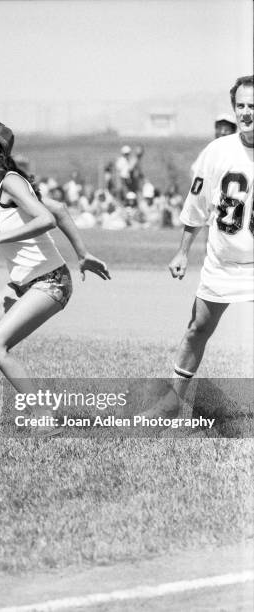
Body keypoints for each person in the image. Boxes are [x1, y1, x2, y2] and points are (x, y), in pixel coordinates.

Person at [0, 120, 110, 431]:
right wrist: (83, 254)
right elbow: (59, 208)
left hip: (51, 282)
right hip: (23, 284)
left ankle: (44, 417)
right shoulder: (1, 185)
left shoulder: (10, 182)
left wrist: (0, 236)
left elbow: (46, 218)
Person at [154, 76, 253, 417]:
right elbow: (197, 206)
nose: (246, 113)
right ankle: (170, 405)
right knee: (197, 328)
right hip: (222, 262)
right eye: (240, 105)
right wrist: (182, 250)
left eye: (253, 106)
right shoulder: (217, 151)